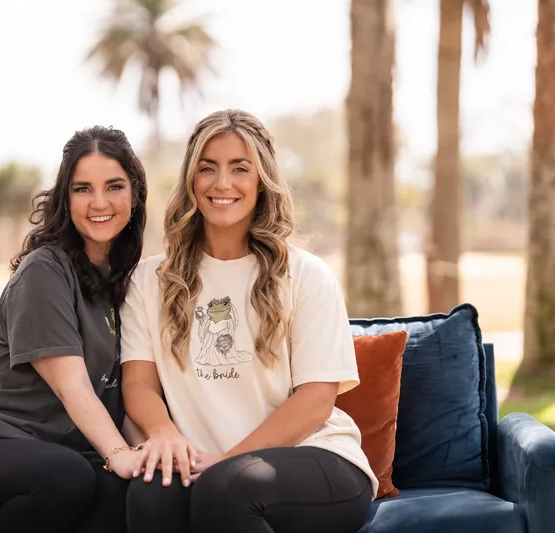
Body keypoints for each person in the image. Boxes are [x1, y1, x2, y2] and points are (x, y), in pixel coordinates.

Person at [119, 109, 377, 533]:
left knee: (227, 488)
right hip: (206, 464)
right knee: (153, 489)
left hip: (318, 458)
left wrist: (227, 460)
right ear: (191, 181)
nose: (222, 184)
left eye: (240, 168)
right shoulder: (149, 280)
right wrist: (164, 433)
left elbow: (315, 400)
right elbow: (139, 383)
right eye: (208, 169)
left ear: (262, 180)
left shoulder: (306, 274)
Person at [0, 125, 148, 533]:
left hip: (65, 458)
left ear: (134, 195)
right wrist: (119, 453)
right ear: (65, 199)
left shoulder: (124, 281)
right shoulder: (45, 270)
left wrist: (149, 451)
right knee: (69, 476)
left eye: (114, 186)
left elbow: (124, 395)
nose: (99, 202)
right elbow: (74, 387)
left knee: (132, 495)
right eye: (83, 188)